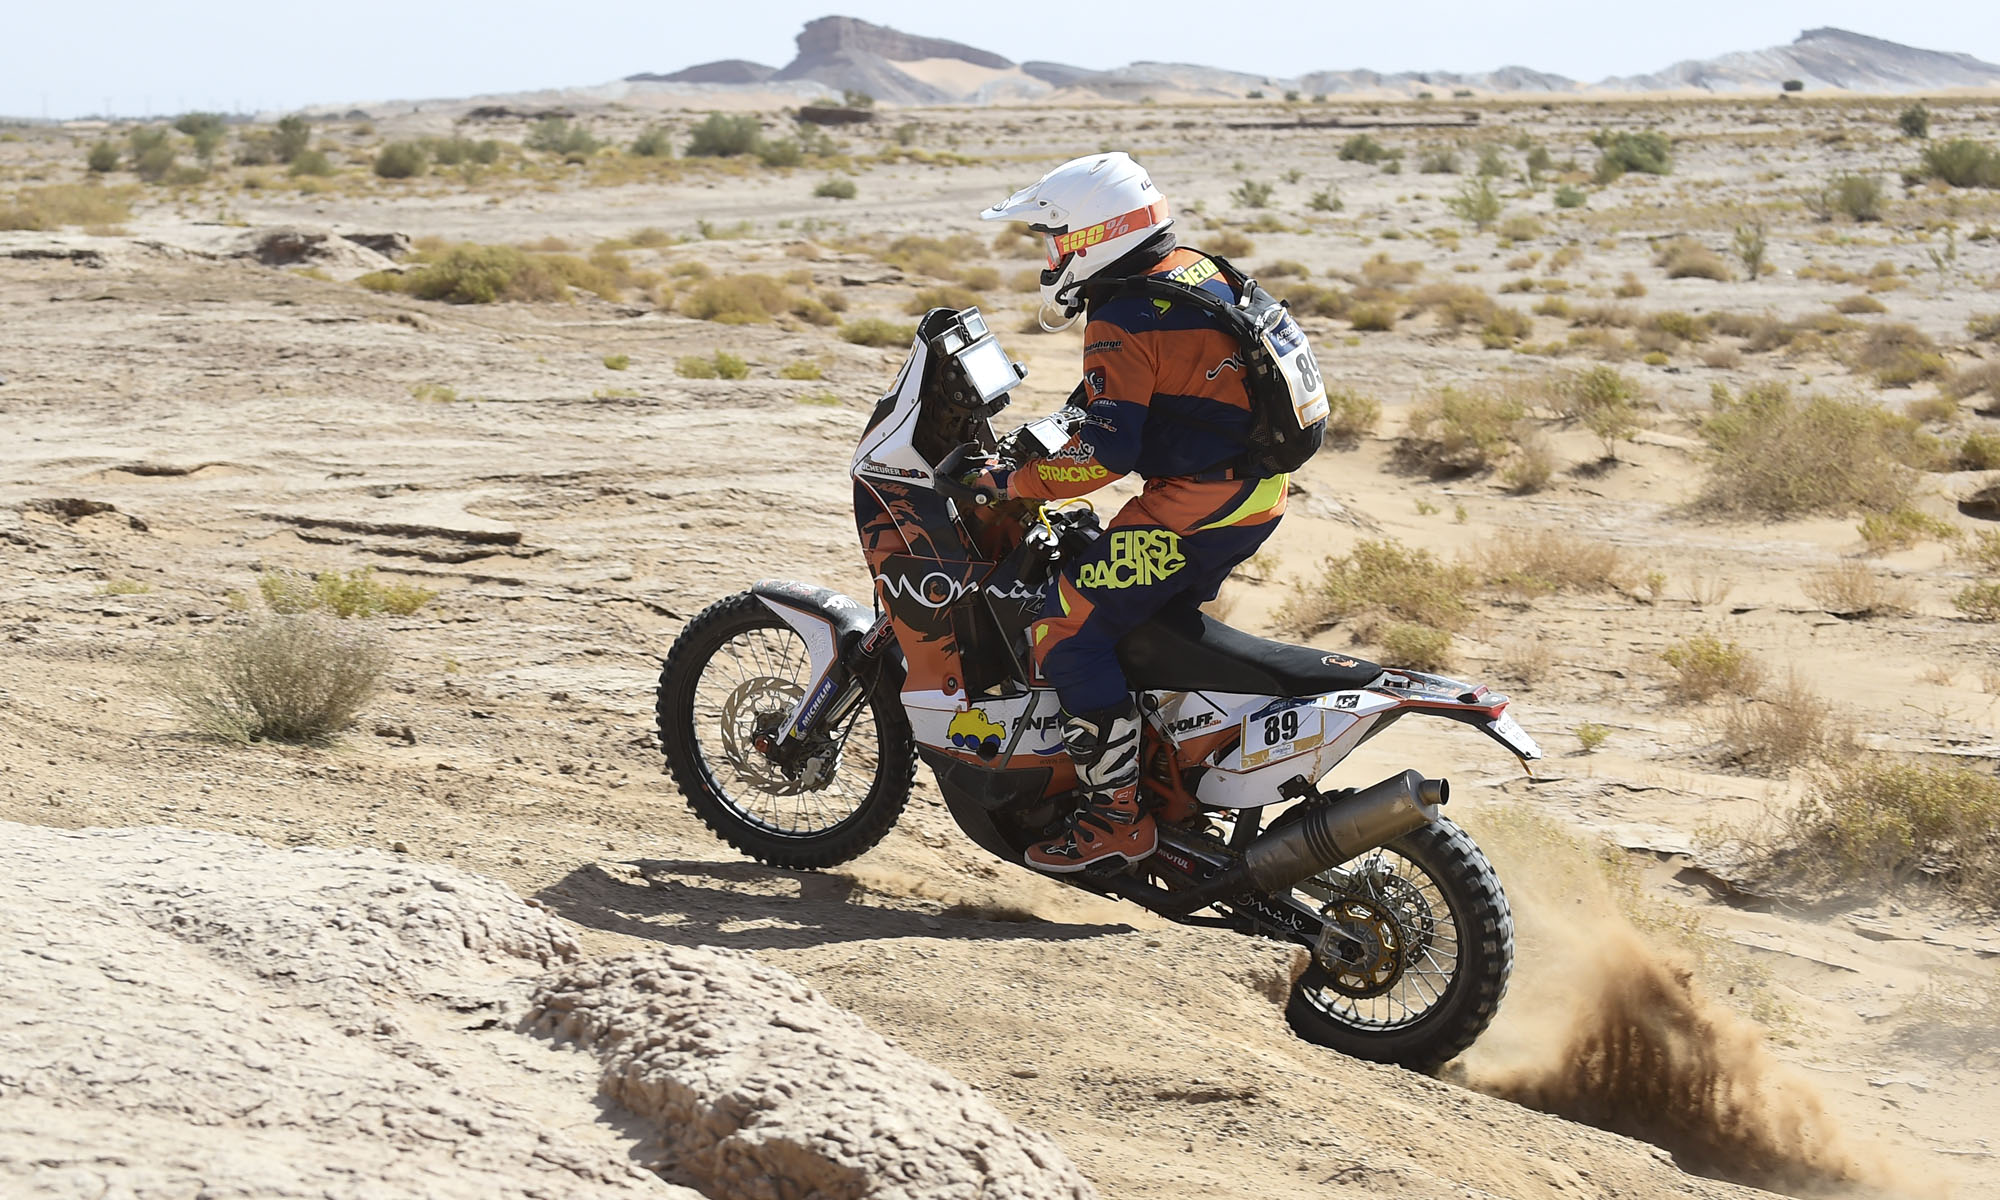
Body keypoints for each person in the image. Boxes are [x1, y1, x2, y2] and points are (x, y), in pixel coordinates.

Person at [971, 152, 1302, 873]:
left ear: (1095, 237)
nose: (1051, 257)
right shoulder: (1197, 270)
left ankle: (1115, 818)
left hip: (1200, 504)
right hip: (1255, 490)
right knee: (1125, 616)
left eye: (1056, 240)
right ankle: (1159, 762)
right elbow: (1132, 402)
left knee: (1064, 630)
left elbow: (1104, 459)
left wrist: (1015, 483)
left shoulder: (1122, 315)